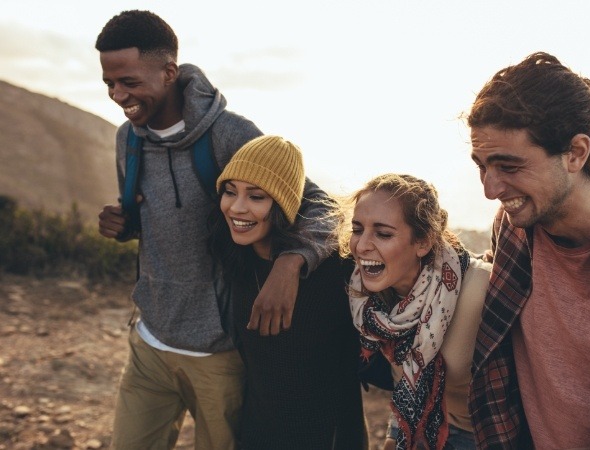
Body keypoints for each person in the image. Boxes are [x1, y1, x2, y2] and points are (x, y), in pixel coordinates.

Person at [95, 10, 335, 450]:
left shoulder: (229, 134)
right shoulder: (127, 139)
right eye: (109, 83)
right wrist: (125, 225)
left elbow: (319, 204)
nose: (117, 94)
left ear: (169, 72)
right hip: (150, 340)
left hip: (220, 353)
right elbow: (160, 221)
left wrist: (290, 263)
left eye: (128, 81)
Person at [467, 51, 590, 449]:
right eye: (481, 165)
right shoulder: (511, 231)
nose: (490, 189)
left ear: (576, 153)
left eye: (508, 167)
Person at [209, 134, 366, 450]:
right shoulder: (235, 260)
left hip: (326, 438)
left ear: (283, 204)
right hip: (256, 435)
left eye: (256, 197)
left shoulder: (336, 271)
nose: (237, 208)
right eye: (230, 192)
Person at [339, 173, 491, 450]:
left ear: (423, 242)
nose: (361, 246)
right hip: (425, 433)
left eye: (383, 233)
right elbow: (406, 377)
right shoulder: (369, 300)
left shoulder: (480, 290)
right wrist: (394, 435)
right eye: (357, 229)